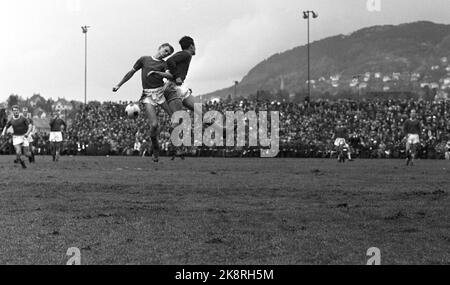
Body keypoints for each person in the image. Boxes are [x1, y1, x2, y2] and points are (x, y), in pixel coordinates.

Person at [113, 43, 175, 162]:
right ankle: (155, 148)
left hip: (161, 92)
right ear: (160, 47)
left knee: (175, 118)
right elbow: (131, 72)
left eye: (168, 53)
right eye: (165, 50)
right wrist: (119, 85)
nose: (166, 54)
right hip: (148, 95)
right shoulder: (144, 60)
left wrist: (158, 73)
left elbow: (169, 75)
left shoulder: (163, 64)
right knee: (154, 125)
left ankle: (174, 146)